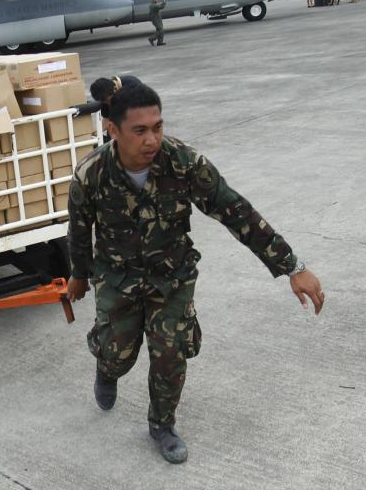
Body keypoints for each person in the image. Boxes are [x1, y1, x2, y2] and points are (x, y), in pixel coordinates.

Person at [66, 84, 325, 463]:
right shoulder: (91, 174)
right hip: (117, 276)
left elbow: (237, 212)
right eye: (140, 131)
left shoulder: (185, 163)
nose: (152, 139)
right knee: (118, 354)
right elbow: (78, 228)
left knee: (171, 352)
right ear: (112, 129)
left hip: (172, 277)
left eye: (157, 126)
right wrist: (78, 274)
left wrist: (292, 266)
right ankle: (107, 370)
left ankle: (162, 425)